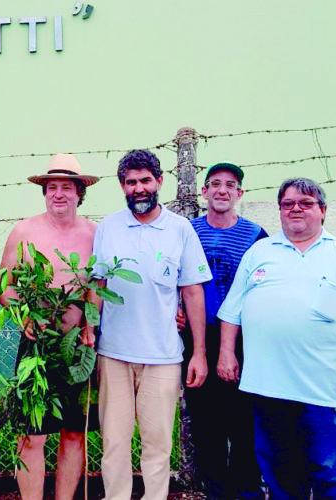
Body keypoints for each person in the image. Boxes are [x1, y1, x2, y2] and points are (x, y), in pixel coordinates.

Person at [217, 177, 336, 500]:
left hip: (322, 393)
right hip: (267, 389)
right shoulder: (260, 252)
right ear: (280, 211)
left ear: (322, 211)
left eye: (306, 203)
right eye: (288, 204)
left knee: (329, 476)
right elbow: (232, 311)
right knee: (279, 474)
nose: (295, 209)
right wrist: (226, 353)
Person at [92, 149, 212, 500]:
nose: (139, 188)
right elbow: (98, 286)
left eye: (146, 180)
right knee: (114, 441)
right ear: (122, 186)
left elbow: (192, 291)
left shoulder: (179, 229)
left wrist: (199, 353)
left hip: (163, 356)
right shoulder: (108, 227)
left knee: (157, 443)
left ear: (160, 181)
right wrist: (88, 329)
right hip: (113, 353)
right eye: (131, 182)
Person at [0, 153, 99, 500]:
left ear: (79, 193)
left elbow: (96, 286)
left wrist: (90, 324)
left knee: (74, 432)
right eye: (52, 187)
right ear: (44, 191)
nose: (59, 193)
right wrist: (26, 316)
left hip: (78, 347)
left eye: (67, 187)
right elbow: (4, 286)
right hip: (37, 347)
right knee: (32, 433)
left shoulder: (93, 233)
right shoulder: (24, 231)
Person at [182, 162, 268, 500]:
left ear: (239, 194)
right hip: (199, 337)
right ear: (203, 192)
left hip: (243, 339)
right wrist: (177, 310)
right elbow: (176, 278)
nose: (221, 190)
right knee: (206, 422)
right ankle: (215, 490)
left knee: (244, 420)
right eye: (214, 184)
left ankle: (246, 489)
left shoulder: (255, 236)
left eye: (230, 185)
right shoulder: (188, 232)